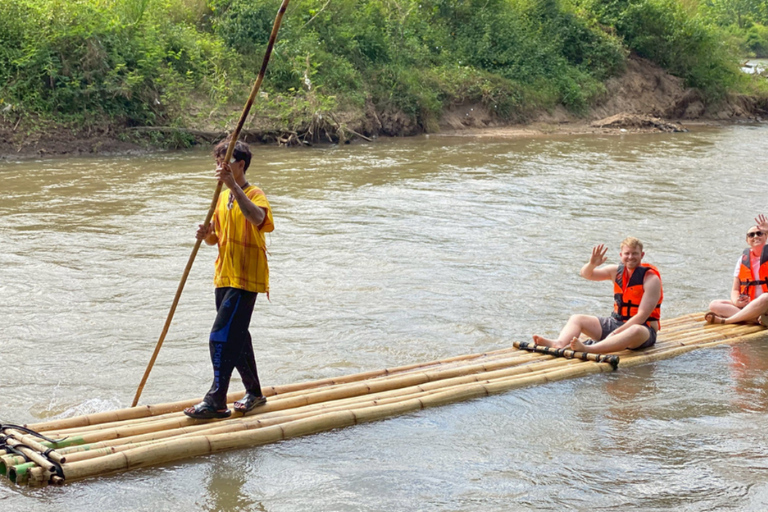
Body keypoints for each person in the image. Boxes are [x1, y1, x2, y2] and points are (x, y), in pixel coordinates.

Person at [184, 139, 275, 420]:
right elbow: (215, 238)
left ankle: (217, 399)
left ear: (240, 165)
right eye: (217, 162)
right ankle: (255, 393)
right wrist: (206, 233)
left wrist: (233, 186)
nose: (219, 167)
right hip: (224, 274)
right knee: (237, 337)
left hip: (247, 277)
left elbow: (259, 219)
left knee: (220, 337)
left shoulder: (253, 193)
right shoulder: (222, 198)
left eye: (226, 162)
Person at [531, 237, 663, 354]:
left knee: (635, 330)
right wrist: (592, 264)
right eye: (627, 253)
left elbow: (641, 316)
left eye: (635, 254)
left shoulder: (651, 279)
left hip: (643, 330)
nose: (630, 257)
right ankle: (559, 343)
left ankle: (590, 349)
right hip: (616, 322)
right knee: (577, 318)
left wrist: (616, 333)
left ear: (642, 255)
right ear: (621, 255)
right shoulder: (615, 271)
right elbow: (586, 274)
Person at [705, 214, 768, 327]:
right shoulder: (742, 260)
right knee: (714, 304)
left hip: (766, 304)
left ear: (766, 236)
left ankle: (727, 321)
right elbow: (735, 289)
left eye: (759, 233)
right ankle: (755, 320)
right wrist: (735, 301)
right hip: (749, 305)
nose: (755, 236)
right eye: (751, 235)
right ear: (747, 240)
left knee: (766, 297)